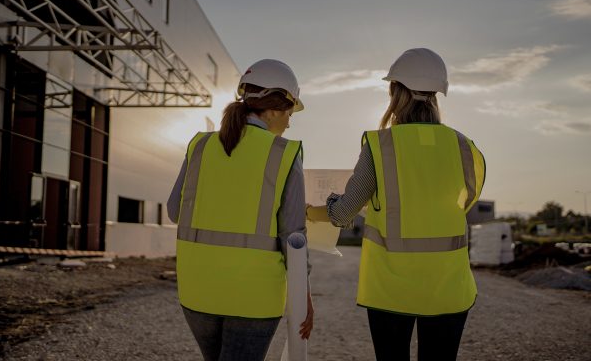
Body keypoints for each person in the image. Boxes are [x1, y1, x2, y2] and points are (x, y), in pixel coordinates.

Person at [306, 48, 486, 361]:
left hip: (391, 290)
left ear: (394, 92)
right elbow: (465, 201)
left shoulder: (380, 146)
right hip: (449, 287)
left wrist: (311, 210)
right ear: (438, 94)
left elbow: (345, 212)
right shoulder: (464, 146)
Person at [167, 59, 314, 361]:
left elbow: (173, 211)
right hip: (253, 298)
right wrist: (304, 298)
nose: (289, 121)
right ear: (274, 109)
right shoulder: (283, 153)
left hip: (197, 291)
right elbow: (293, 238)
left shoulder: (199, 146)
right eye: (289, 113)